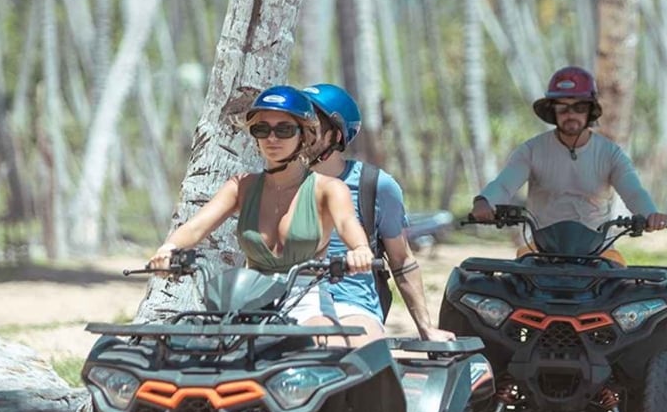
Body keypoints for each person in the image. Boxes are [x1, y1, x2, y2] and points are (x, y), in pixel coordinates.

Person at [147, 86, 375, 323]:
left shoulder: (329, 189)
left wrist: (359, 249)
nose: (272, 138)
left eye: (284, 130)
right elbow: (196, 227)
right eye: (262, 129)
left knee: (317, 344)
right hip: (249, 296)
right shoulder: (241, 186)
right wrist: (169, 249)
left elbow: (347, 223)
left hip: (305, 299)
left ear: (304, 135)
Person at [299, 83, 456, 344]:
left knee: (345, 354)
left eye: (311, 127)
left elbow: (402, 260)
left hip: (351, 306)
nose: (301, 134)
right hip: (289, 303)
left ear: (335, 135)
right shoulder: (276, 184)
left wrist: (426, 329)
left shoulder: (374, 185)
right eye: (296, 124)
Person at [470, 67, 667, 246]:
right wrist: (485, 201)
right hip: (542, 250)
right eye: (562, 108)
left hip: (599, 251)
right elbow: (504, 184)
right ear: (553, 111)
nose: (570, 114)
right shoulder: (532, 150)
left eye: (579, 107)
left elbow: (633, 191)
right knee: (511, 284)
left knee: (623, 285)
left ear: (590, 111)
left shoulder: (611, 154)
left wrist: (650, 214)